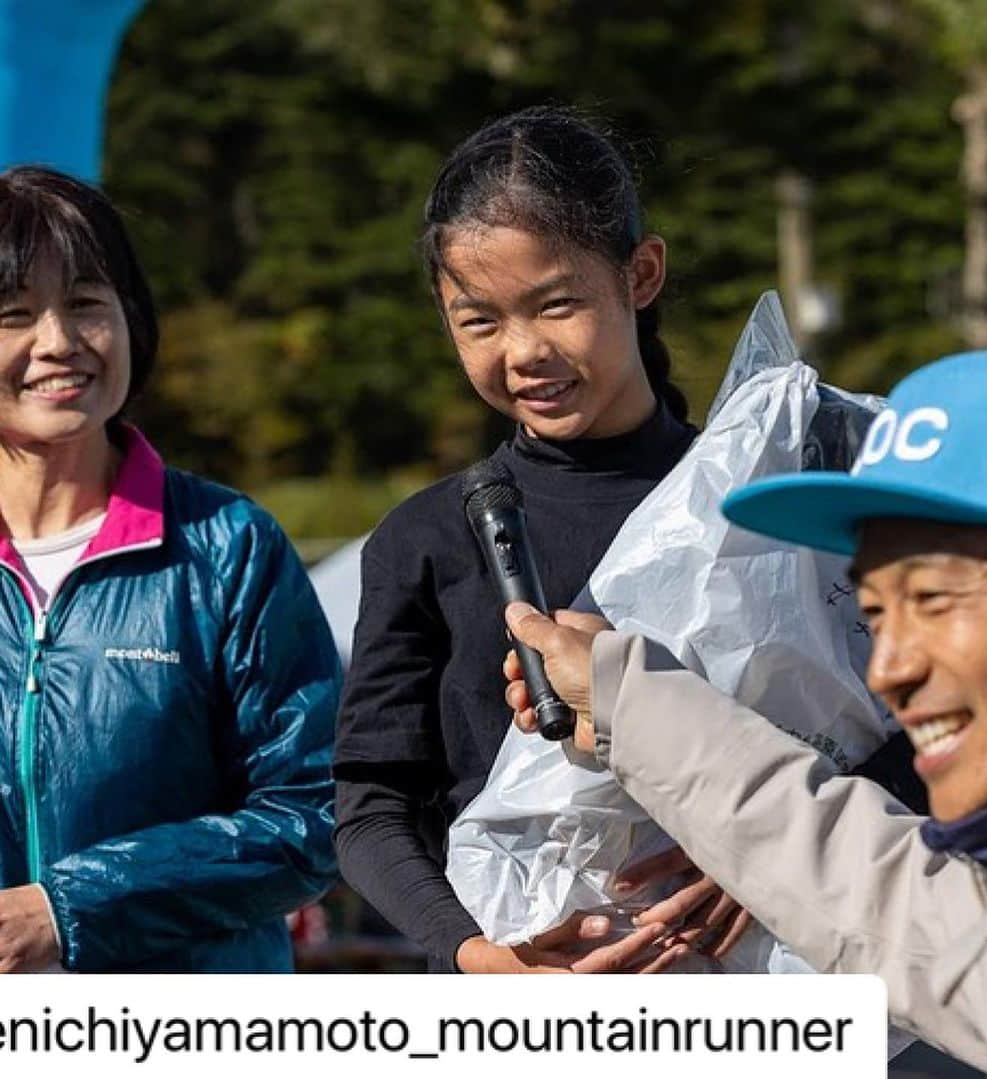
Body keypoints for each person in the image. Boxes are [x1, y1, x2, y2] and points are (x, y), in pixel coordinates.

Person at [505, 347, 987, 1075]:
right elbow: (870, 887)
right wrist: (621, 695)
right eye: (874, 614)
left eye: (936, 599)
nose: (889, 667)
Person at [333, 105, 758, 973]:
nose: (523, 351)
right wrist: (477, 956)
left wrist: (780, 861)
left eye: (557, 305)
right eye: (478, 320)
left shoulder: (751, 500)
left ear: (640, 275)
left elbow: (872, 743)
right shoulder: (424, 539)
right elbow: (371, 808)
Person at [0, 166, 339, 973]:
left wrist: (67, 905)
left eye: (86, 303)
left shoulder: (228, 546)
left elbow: (314, 814)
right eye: (15, 314)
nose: (58, 342)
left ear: (131, 319)